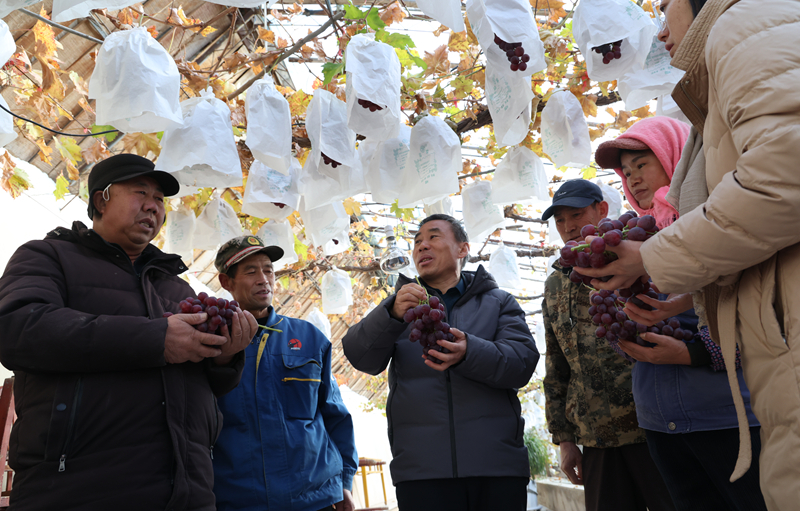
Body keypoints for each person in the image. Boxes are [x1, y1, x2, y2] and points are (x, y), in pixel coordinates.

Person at [574, 0, 800, 508]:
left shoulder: (747, 23)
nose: (658, 27)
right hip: (674, 419)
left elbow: (784, 175)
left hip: (729, 414)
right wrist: (685, 295)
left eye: (663, 2)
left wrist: (661, 270)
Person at [0, 153, 257, 511]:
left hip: (188, 493)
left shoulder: (177, 289)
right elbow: (18, 328)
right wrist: (157, 340)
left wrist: (225, 355)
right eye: (141, 193)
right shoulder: (47, 257)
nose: (152, 207)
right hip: (76, 493)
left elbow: (203, 382)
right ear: (101, 200)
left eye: (159, 200)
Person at [594, 116, 767, 511]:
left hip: (729, 417)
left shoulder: (717, 226)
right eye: (627, 171)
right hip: (660, 421)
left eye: (643, 164)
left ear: (675, 157)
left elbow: (762, 320)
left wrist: (693, 353)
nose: (633, 178)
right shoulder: (632, 243)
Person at [342, 214, 538, 511]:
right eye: (417, 241)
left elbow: (521, 363)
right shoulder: (401, 309)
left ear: (462, 249)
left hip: (496, 467)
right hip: (422, 472)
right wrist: (389, 314)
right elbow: (361, 356)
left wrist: (470, 351)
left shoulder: (499, 302)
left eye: (433, 237)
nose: (422, 246)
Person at [541, 179, 675, 511]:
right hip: (596, 437)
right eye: (560, 220)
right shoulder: (557, 282)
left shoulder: (640, 256)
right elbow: (557, 365)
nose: (568, 226)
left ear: (602, 210)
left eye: (576, 214)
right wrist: (565, 438)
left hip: (654, 428)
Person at [212, 235, 358, 511]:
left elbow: (335, 415)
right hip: (238, 500)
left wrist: (345, 481)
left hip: (315, 498)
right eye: (251, 271)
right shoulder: (213, 341)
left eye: (268, 269)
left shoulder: (309, 338)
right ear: (226, 282)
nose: (263, 279)